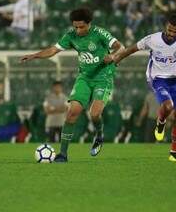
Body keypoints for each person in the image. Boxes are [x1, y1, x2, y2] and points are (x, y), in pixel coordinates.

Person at [20, 8, 124, 162]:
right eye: (75, 26)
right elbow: (53, 49)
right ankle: (63, 154)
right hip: (84, 78)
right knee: (71, 113)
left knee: (94, 114)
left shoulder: (100, 33)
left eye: (81, 27)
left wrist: (113, 56)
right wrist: (35, 55)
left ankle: (99, 134)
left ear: (89, 24)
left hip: (103, 78)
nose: (78, 30)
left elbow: (120, 47)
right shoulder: (71, 36)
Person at [107, 13, 176, 162]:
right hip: (158, 79)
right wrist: (116, 59)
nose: (172, 34)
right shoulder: (152, 39)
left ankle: (174, 152)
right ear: (165, 26)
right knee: (168, 106)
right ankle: (161, 122)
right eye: (170, 30)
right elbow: (131, 49)